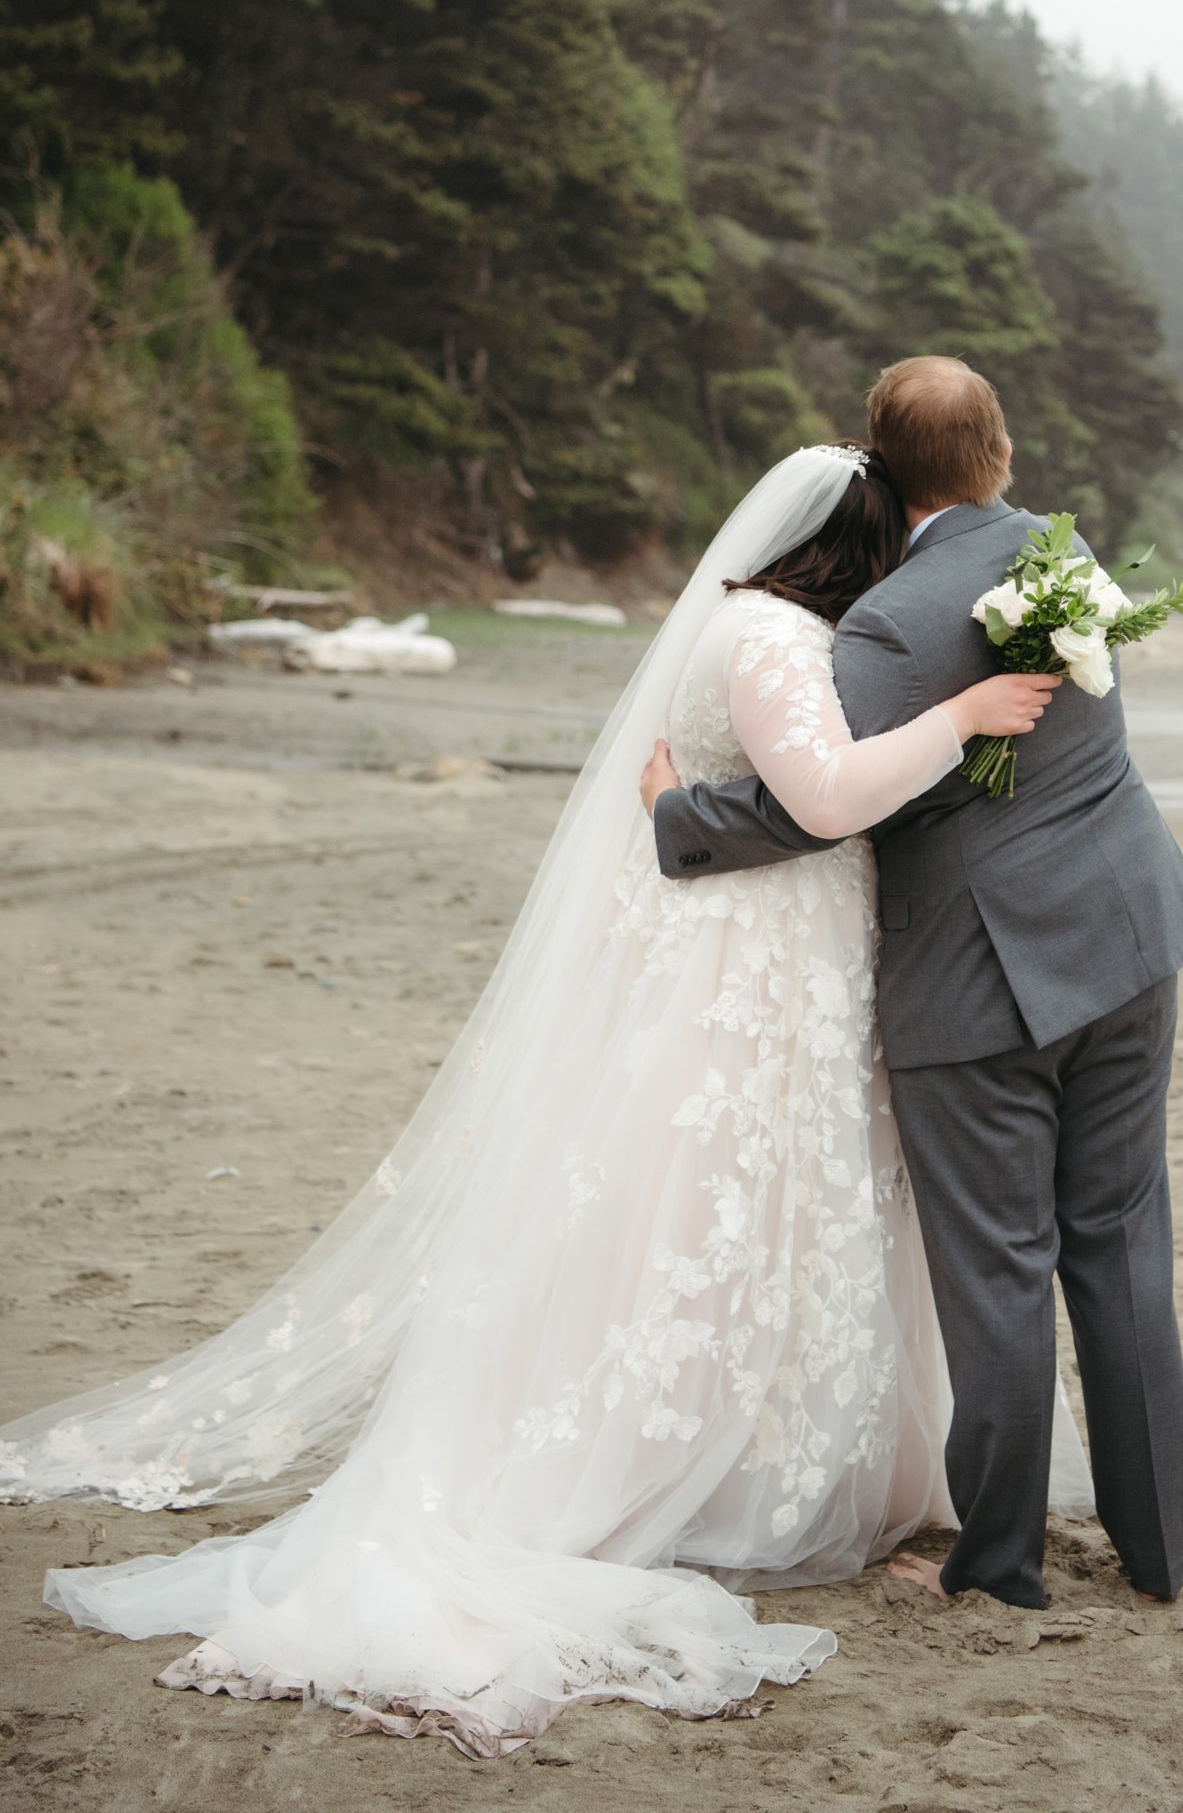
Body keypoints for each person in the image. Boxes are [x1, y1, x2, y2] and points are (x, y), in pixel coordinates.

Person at [0, 441, 1084, 1756]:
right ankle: (708, 1471)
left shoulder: (732, 620)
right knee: (721, 1203)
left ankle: (756, 1450)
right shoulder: (781, 640)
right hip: (755, 953)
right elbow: (827, 795)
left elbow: (712, 789)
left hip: (740, 940)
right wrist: (961, 721)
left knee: (716, 1198)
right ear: (854, 551)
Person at [649, 356, 1183, 1614]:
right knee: (1120, 1244)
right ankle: (1161, 1542)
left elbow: (825, 803)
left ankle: (1001, 1565)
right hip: (1126, 940)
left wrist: (680, 814)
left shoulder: (893, 621)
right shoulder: (1074, 569)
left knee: (1000, 1264)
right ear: (1002, 452)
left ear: (880, 465)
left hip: (980, 977)